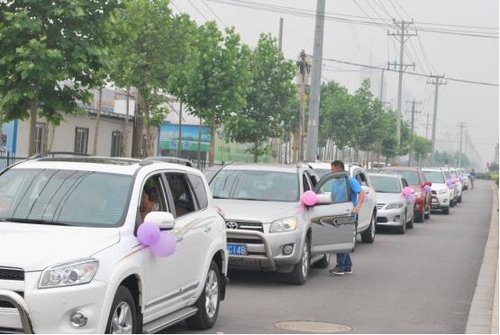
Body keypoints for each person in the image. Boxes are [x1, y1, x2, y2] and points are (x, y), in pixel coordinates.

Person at [329, 160, 365, 276]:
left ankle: (340, 266)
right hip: (337, 212)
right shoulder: (334, 182)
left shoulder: (349, 180)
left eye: (332, 169)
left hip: (348, 213)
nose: (331, 171)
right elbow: (333, 198)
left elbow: (361, 193)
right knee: (341, 239)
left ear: (339, 168)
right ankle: (347, 266)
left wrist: (358, 206)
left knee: (342, 239)